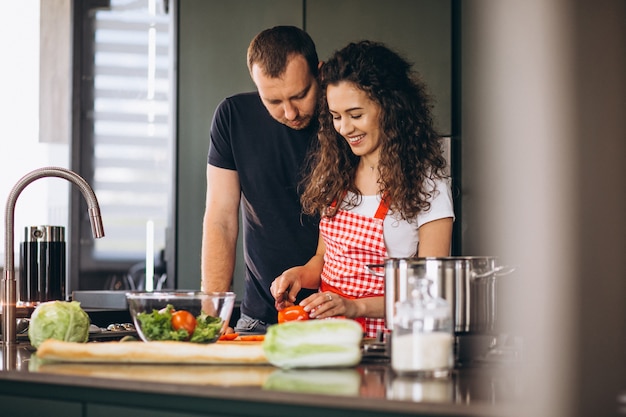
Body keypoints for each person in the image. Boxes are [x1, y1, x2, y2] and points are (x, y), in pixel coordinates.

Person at [270, 41, 455, 338]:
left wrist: (354, 307)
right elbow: (324, 259)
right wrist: (298, 275)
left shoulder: (428, 185)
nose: (344, 128)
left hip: (390, 348)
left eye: (356, 115)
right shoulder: (336, 174)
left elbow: (430, 293)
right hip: (331, 345)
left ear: (391, 109)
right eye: (336, 116)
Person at [201, 26, 321, 334]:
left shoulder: (344, 121)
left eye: (300, 95)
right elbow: (221, 220)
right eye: (274, 101)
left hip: (337, 317)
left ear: (319, 73)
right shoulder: (233, 117)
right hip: (258, 320)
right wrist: (212, 318)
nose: (291, 112)